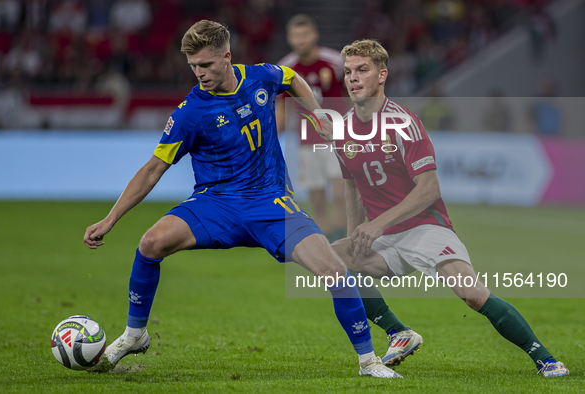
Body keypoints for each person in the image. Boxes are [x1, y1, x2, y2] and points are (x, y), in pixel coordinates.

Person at [83, 21, 400, 378]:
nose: (199, 73)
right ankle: (134, 334)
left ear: (227, 57)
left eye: (206, 65)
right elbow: (154, 168)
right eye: (193, 66)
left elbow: (292, 78)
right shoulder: (190, 112)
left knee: (335, 272)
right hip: (215, 203)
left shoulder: (261, 77)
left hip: (270, 201)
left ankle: (368, 362)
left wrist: (314, 114)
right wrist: (110, 219)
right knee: (151, 243)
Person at [326, 39, 568, 377]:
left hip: (426, 226)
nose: (353, 78)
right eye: (348, 71)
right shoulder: (342, 130)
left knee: (471, 293)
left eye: (362, 70)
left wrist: (377, 224)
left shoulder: (403, 123)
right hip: (385, 237)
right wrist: (355, 232)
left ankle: (546, 358)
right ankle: (399, 333)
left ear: (382, 75)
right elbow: (352, 183)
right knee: (330, 260)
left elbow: (429, 188)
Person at [277, 14, 347, 242]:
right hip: (307, 141)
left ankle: (345, 240)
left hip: (337, 138)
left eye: (304, 34)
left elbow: (353, 95)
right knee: (317, 199)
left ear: (314, 36)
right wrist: (271, 139)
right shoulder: (285, 69)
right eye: (296, 36)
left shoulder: (335, 62)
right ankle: (331, 244)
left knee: (340, 194)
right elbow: (282, 109)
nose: (300, 40)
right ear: (289, 38)